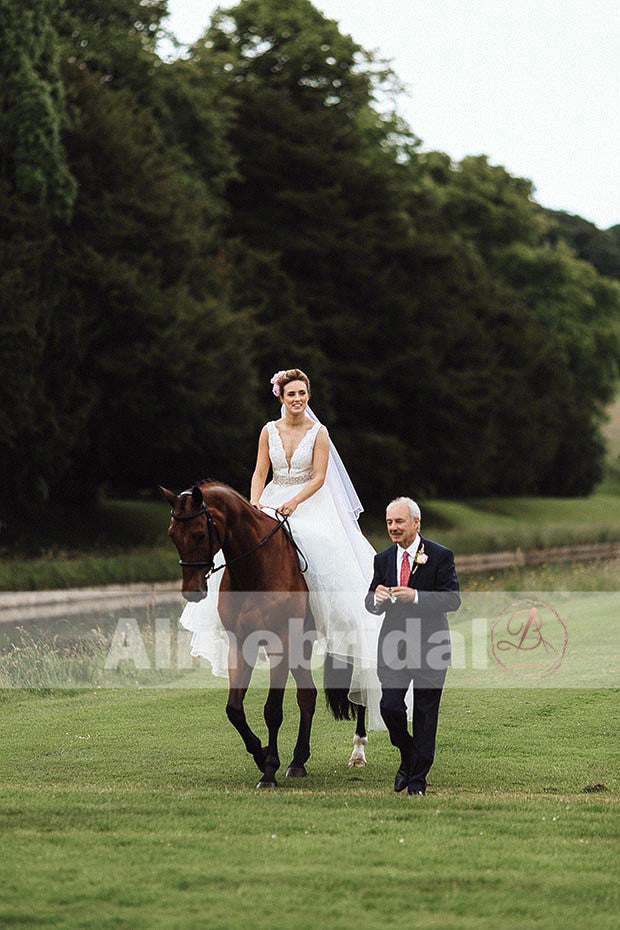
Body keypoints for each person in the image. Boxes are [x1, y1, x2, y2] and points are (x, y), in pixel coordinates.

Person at [179, 367, 383, 730]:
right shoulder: (268, 430)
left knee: (314, 549)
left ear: (309, 396)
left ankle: (319, 617)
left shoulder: (319, 432)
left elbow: (319, 477)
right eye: (292, 394)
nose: (298, 399)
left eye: (303, 393)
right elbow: (260, 472)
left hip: (309, 502)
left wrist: (296, 503)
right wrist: (255, 503)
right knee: (242, 547)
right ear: (281, 397)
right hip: (270, 499)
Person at [365, 497, 460, 796]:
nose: (393, 527)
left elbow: (452, 599)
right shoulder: (382, 560)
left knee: (425, 714)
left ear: (416, 523)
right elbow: (371, 602)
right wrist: (375, 599)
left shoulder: (440, 555)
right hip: (393, 646)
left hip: (431, 646)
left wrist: (416, 597)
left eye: (399, 522)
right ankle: (408, 753)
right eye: (390, 522)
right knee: (389, 707)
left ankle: (417, 780)